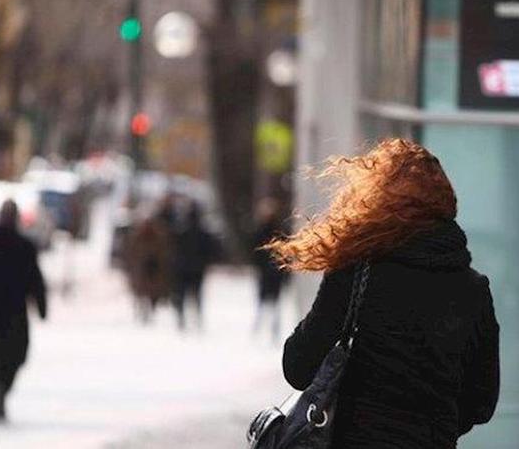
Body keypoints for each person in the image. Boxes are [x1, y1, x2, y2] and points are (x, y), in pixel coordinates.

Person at [260, 138, 500, 448]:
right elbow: (481, 402)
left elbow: (298, 368)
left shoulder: (356, 272)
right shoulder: (474, 291)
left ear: (376, 203)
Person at [0, 200, 47, 422]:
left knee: (10, 355)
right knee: (15, 355)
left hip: (5, 311)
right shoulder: (25, 245)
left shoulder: (25, 246)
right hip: (14, 313)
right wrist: (42, 307)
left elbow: (35, 278)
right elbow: (37, 281)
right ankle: (1, 386)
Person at [171, 202, 216, 331]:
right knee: (195, 295)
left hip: (184, 268)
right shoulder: (202, 233)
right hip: (196, 269)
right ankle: (195, 318)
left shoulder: (181, 232)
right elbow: (211, 251)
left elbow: (175, 250)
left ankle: (183, 319)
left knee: (183, 295)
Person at [252, 198, 291, 342]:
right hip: (268, 273)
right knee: (263, 301)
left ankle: (272, 329)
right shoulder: (264, 231)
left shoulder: (278, 233)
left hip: (275, 274)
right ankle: (259, 328)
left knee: (274, 303)